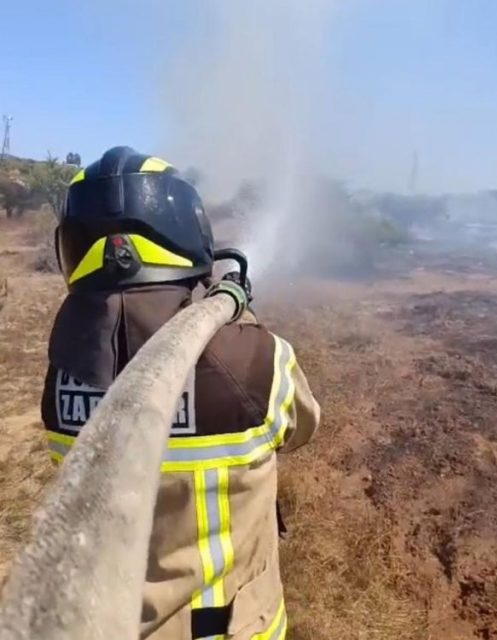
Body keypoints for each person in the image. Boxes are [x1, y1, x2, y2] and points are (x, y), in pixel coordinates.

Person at [40, 146, 321, 639]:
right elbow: (301, 426)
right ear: (185, 232)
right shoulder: (255, 360)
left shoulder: (62, 375)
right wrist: (240, 322)